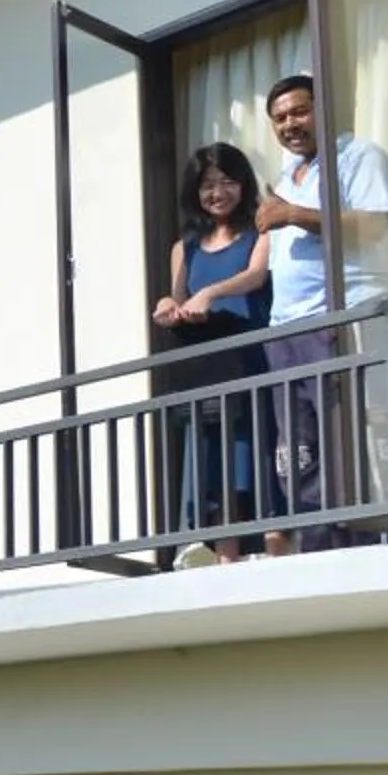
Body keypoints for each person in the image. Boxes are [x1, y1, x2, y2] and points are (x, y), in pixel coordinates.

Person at [252, 73, 388, 553]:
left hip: (343, 313)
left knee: (353, 428)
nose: (289, 124)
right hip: (286, 326)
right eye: (279, 118)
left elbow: (374, 227)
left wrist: (294, 215)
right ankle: (316, 541)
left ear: (323, 107)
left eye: (298, 111)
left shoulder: (357, 157)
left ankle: (371, 533)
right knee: (297, 446)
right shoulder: (289, 175)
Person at [154, 143, 272, 563]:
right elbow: (179, 297)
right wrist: (169, 307)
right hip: (203, 364)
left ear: (243, 185)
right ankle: (225, 558)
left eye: (226, 182)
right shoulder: (184, 246)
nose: (217, 192)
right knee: (210, 461)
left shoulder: (262, 232)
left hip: (247, 356)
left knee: (249, 453)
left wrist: (211, 292)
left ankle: (272, 548)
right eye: (207, 185)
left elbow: (256, 276)